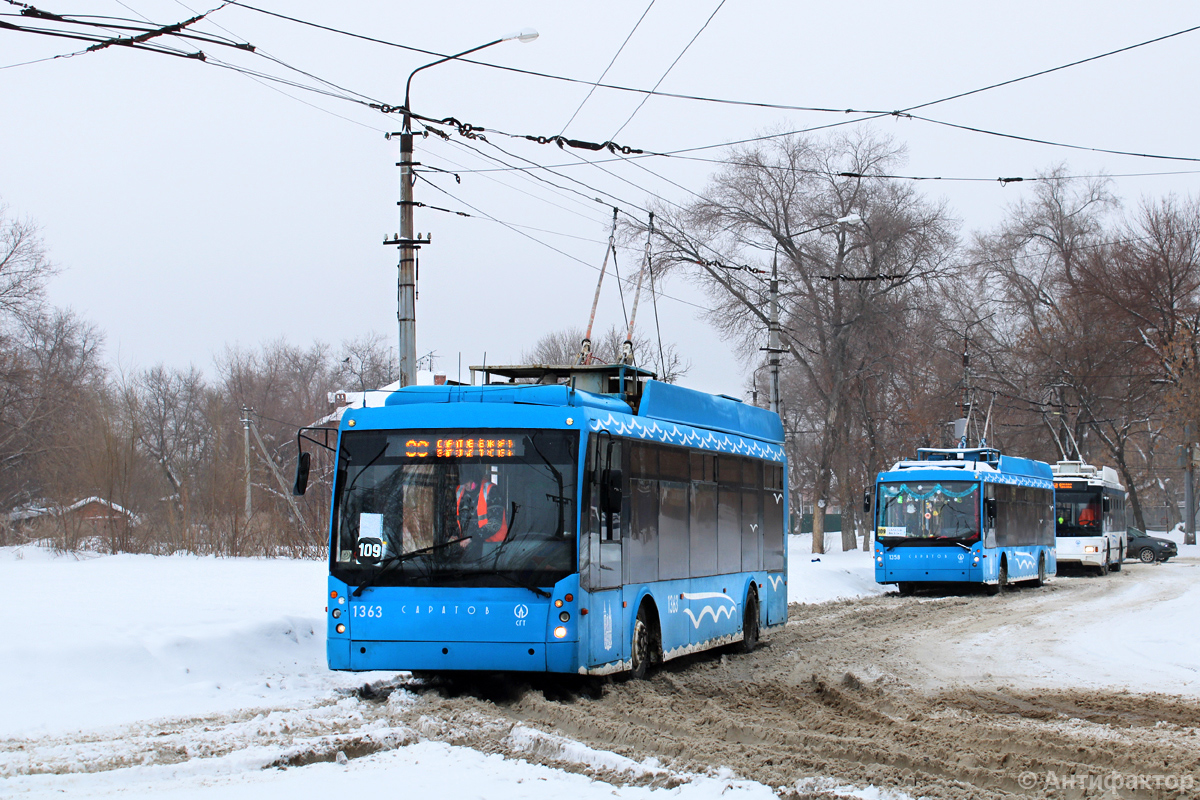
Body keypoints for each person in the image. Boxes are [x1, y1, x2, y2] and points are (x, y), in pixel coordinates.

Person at [455, 467, 509, 543]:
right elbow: (453, 517)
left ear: (475, 479)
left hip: (493, 545)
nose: (465, 484)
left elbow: (494, 523)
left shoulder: (491, 491)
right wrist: (454, 535)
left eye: (467, 481)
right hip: (467, 545)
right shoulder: (459, 491)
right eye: (463, 482)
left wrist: (472, 538)